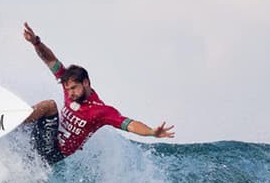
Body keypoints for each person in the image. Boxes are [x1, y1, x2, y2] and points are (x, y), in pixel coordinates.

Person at [22, 22, 175, 164]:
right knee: (39, 113)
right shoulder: (69, 84)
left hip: (53, 152)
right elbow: (51, 61)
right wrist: (36, 42)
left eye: (74, 88)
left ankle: (14, 122)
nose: (69, 94)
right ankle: (11, 124)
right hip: (46, 135)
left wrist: (151, 132)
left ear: (86, 83)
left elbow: (130, 125)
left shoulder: (101, 111)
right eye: (67, 89)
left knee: (49, 105)